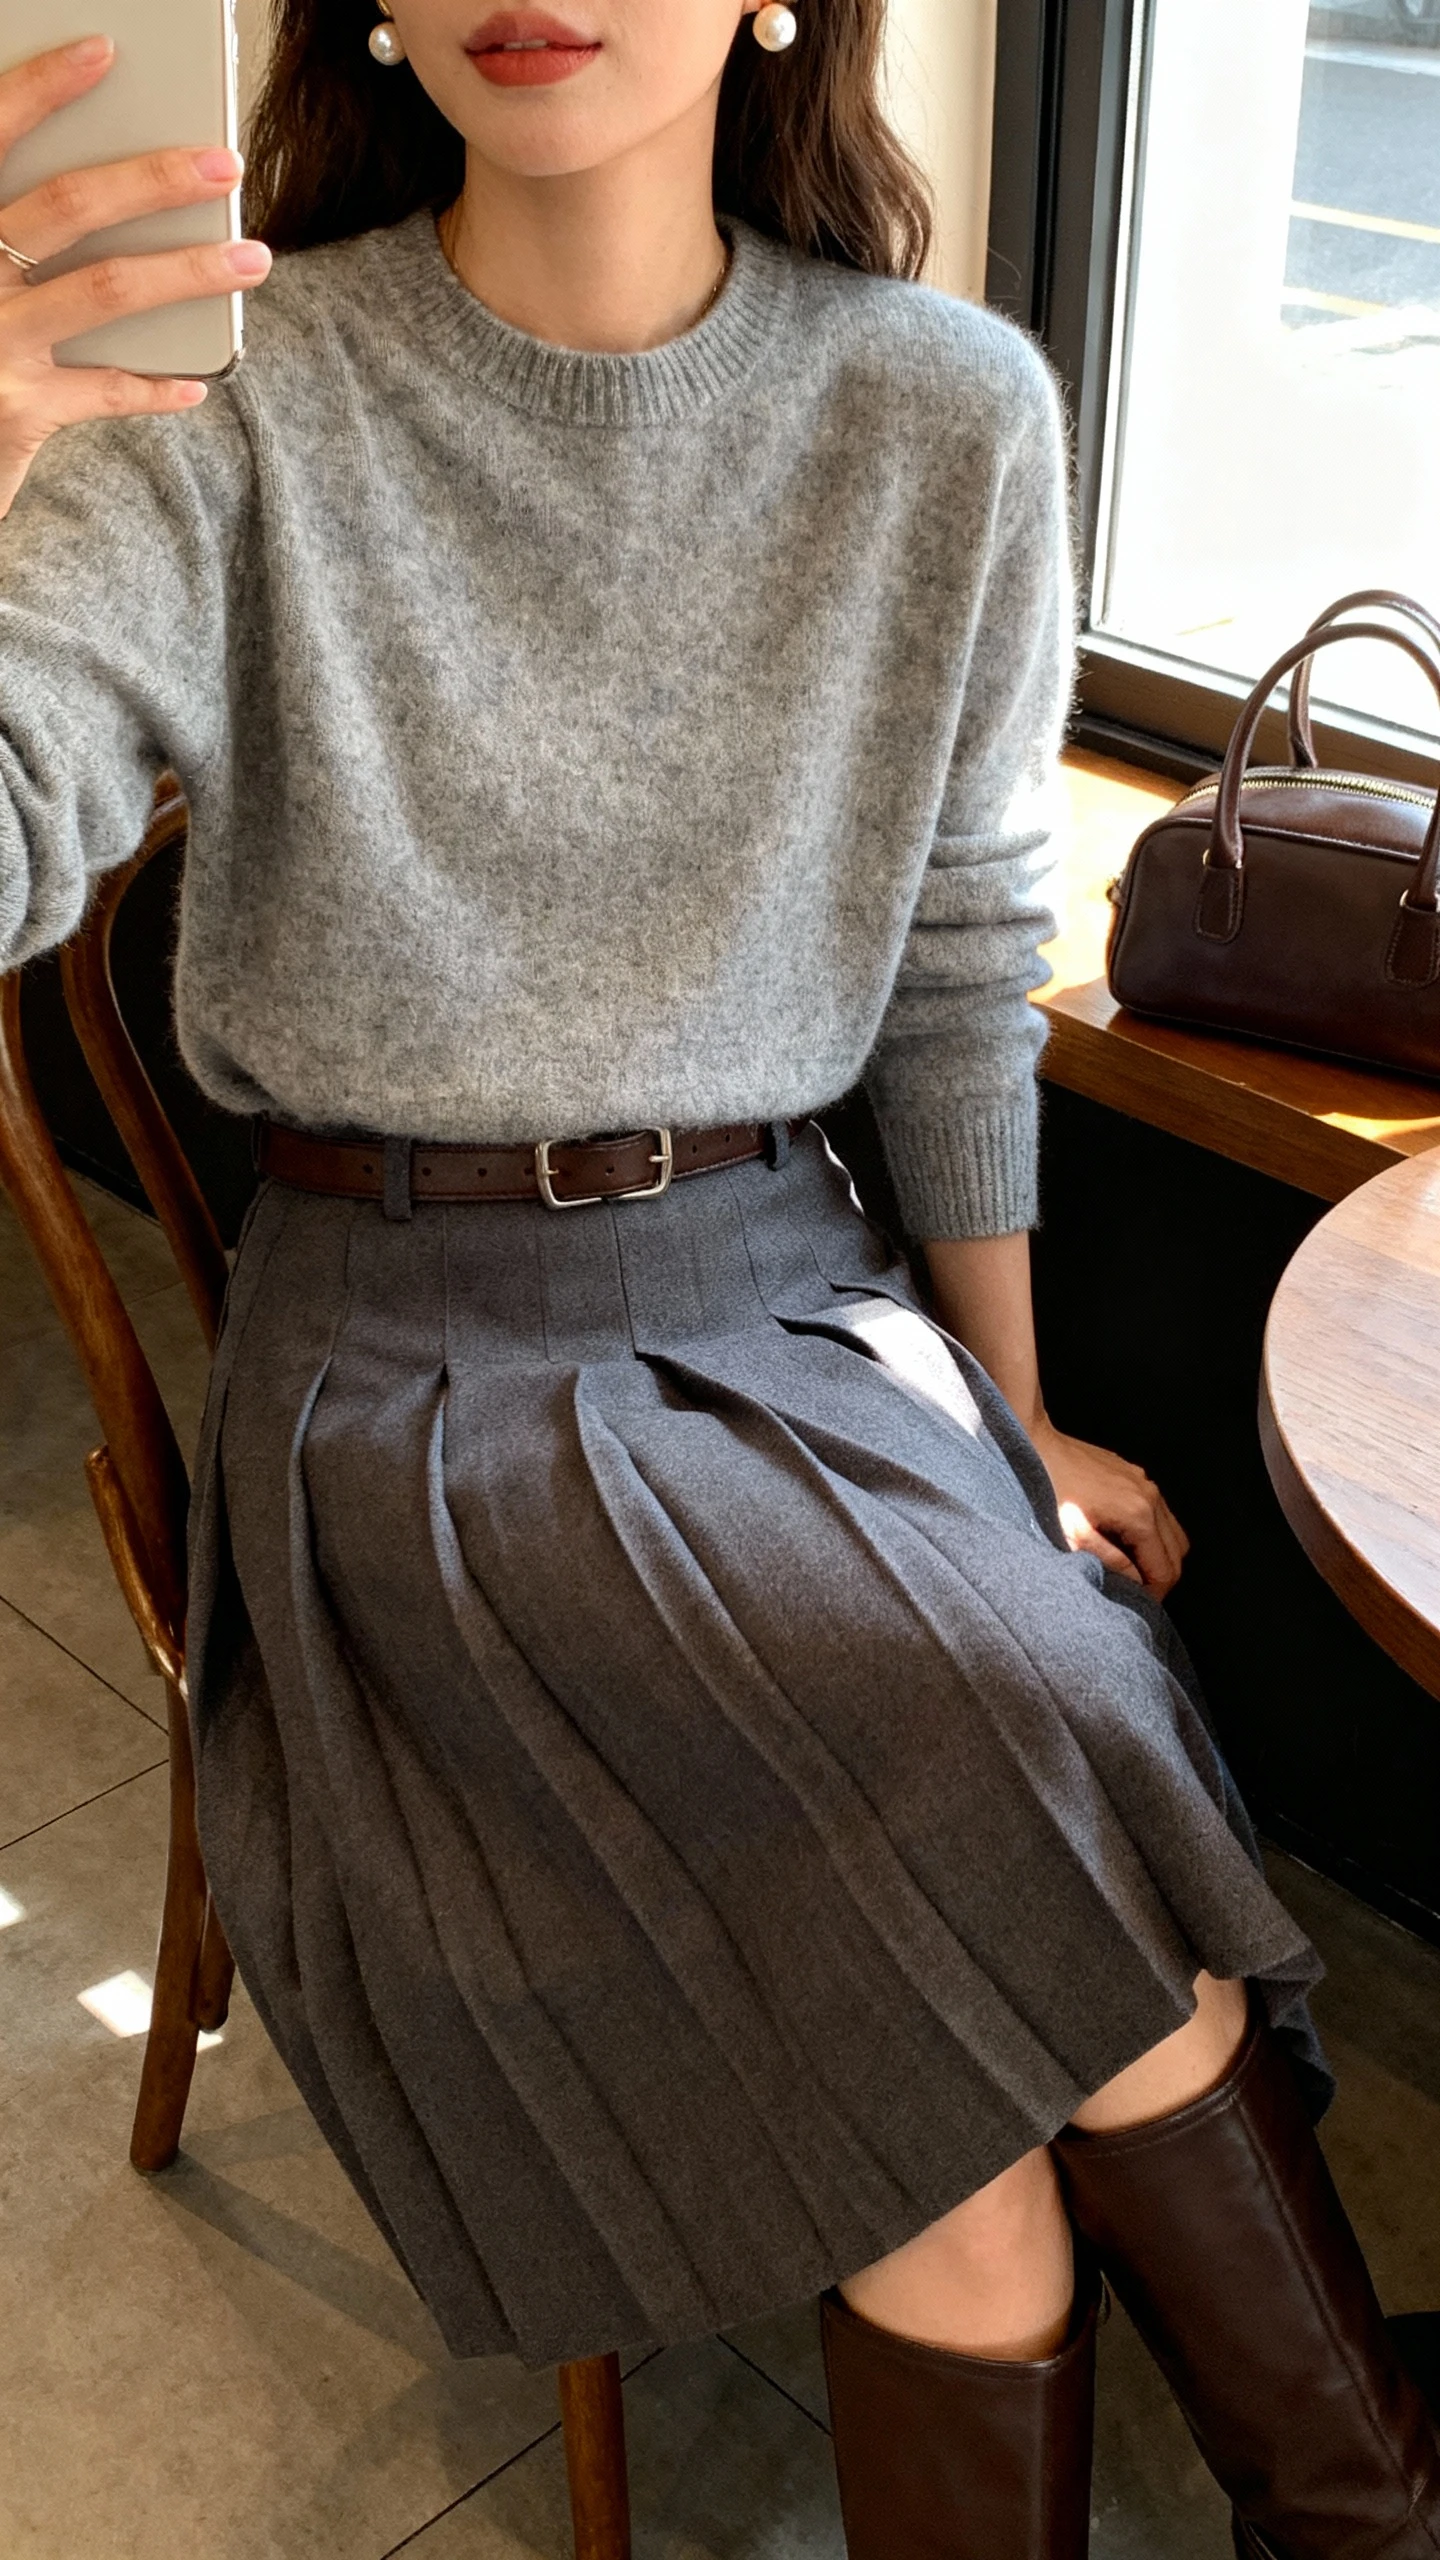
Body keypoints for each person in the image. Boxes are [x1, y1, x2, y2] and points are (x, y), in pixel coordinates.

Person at [0, 7, 1434, 2552]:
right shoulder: (223, 397)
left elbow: (963, 965)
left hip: (792, 1288)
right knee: (1021, 1815)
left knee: (1017, 1775)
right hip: (411, 1371)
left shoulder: (946, 413)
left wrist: (1013, 1421)